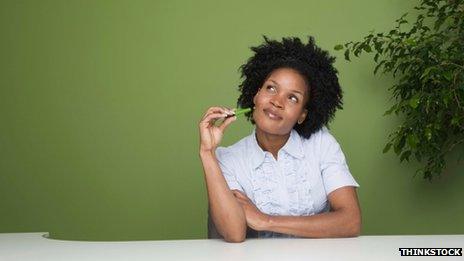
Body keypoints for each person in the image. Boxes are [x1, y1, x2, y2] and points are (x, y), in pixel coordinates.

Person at [198, 35, 361, 243]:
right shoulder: (229, 158)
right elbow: (234, 233)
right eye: (271, 88)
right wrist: (207, 153)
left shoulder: (321, 143)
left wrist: (266, 221)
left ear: (302, 114)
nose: (277, 101)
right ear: (256, 96)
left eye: (292, 98)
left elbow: (350, 221)